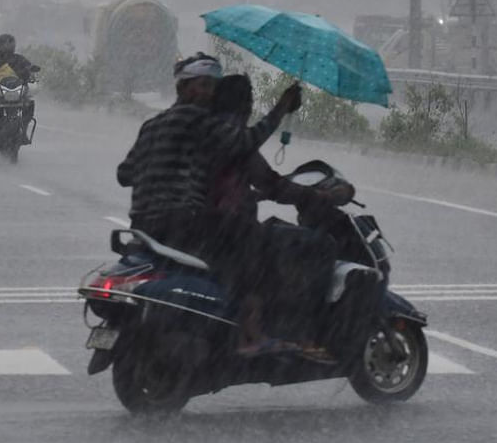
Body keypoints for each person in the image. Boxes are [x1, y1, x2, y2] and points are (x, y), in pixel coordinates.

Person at [116, 54, 301, 293]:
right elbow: (247, 141)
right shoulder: (197, 118)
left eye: (213, 86)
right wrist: (282, 107)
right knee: (249, 256)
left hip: (141, 223)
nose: (209, 92)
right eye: (203, 85)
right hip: (182, 222)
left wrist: (161, 165)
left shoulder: (152, 125)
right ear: (183, 86)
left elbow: (124, 174)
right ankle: (248, 320)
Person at [207, 75, 349, 357]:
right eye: (248, 98)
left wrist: (256, 193)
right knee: (317, 247)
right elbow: (271, 183)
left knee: (276, 237)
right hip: (230, 227)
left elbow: (247, 181)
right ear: (244, 104)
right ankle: (305, 333)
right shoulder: (232, 135)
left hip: (208, 226)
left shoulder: (208, 129)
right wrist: (317, 197)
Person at [0, 34, 37, 144]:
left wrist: (32, 72)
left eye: (9, 44)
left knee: (29, 104)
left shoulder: (20, 59)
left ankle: (24, 132)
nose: (7, 47)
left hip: (19, 93)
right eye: (5, 44)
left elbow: (29, 68)